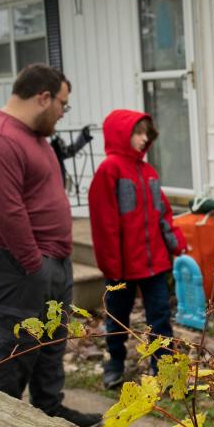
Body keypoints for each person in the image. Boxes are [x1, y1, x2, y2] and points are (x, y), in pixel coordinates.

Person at [0, 63, 101, 427]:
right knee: (19, 345)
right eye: (63, 104)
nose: (62, 113)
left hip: (52, 259)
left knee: (52, 340)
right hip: (20, 264)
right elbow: (7, 212)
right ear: (43, 97)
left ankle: (48, 409)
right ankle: (3, 424)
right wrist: (34, 265)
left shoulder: (34, 136)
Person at [87, 110, 186, 390]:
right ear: (122, 134)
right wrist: (111, 265)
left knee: (160, 317)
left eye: (147, 134)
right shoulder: (110, 170)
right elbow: (104, 222)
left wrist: (175, 242)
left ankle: (163, 368)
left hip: (155, 262)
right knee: (118, 318)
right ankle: (114, 362)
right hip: (122, 267)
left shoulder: (149, 172)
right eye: (138, 133)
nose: (144, 139)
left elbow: (162, 213)